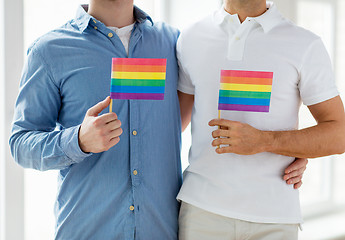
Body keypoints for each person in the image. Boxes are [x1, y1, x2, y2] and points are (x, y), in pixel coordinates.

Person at [9, 0, 306, 239]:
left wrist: (284, 150)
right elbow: (21, 143)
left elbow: (220, 104)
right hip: (87, 229)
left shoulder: (173, 43)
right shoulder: (51, 50)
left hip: (161, 229)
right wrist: (78, 141)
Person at [177, 0, 345, 239]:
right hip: (202, 213)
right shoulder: (191, 37)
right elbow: (171, 126)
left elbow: (339, 135)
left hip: (274, 219)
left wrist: (266, 141)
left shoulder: (305, 44)